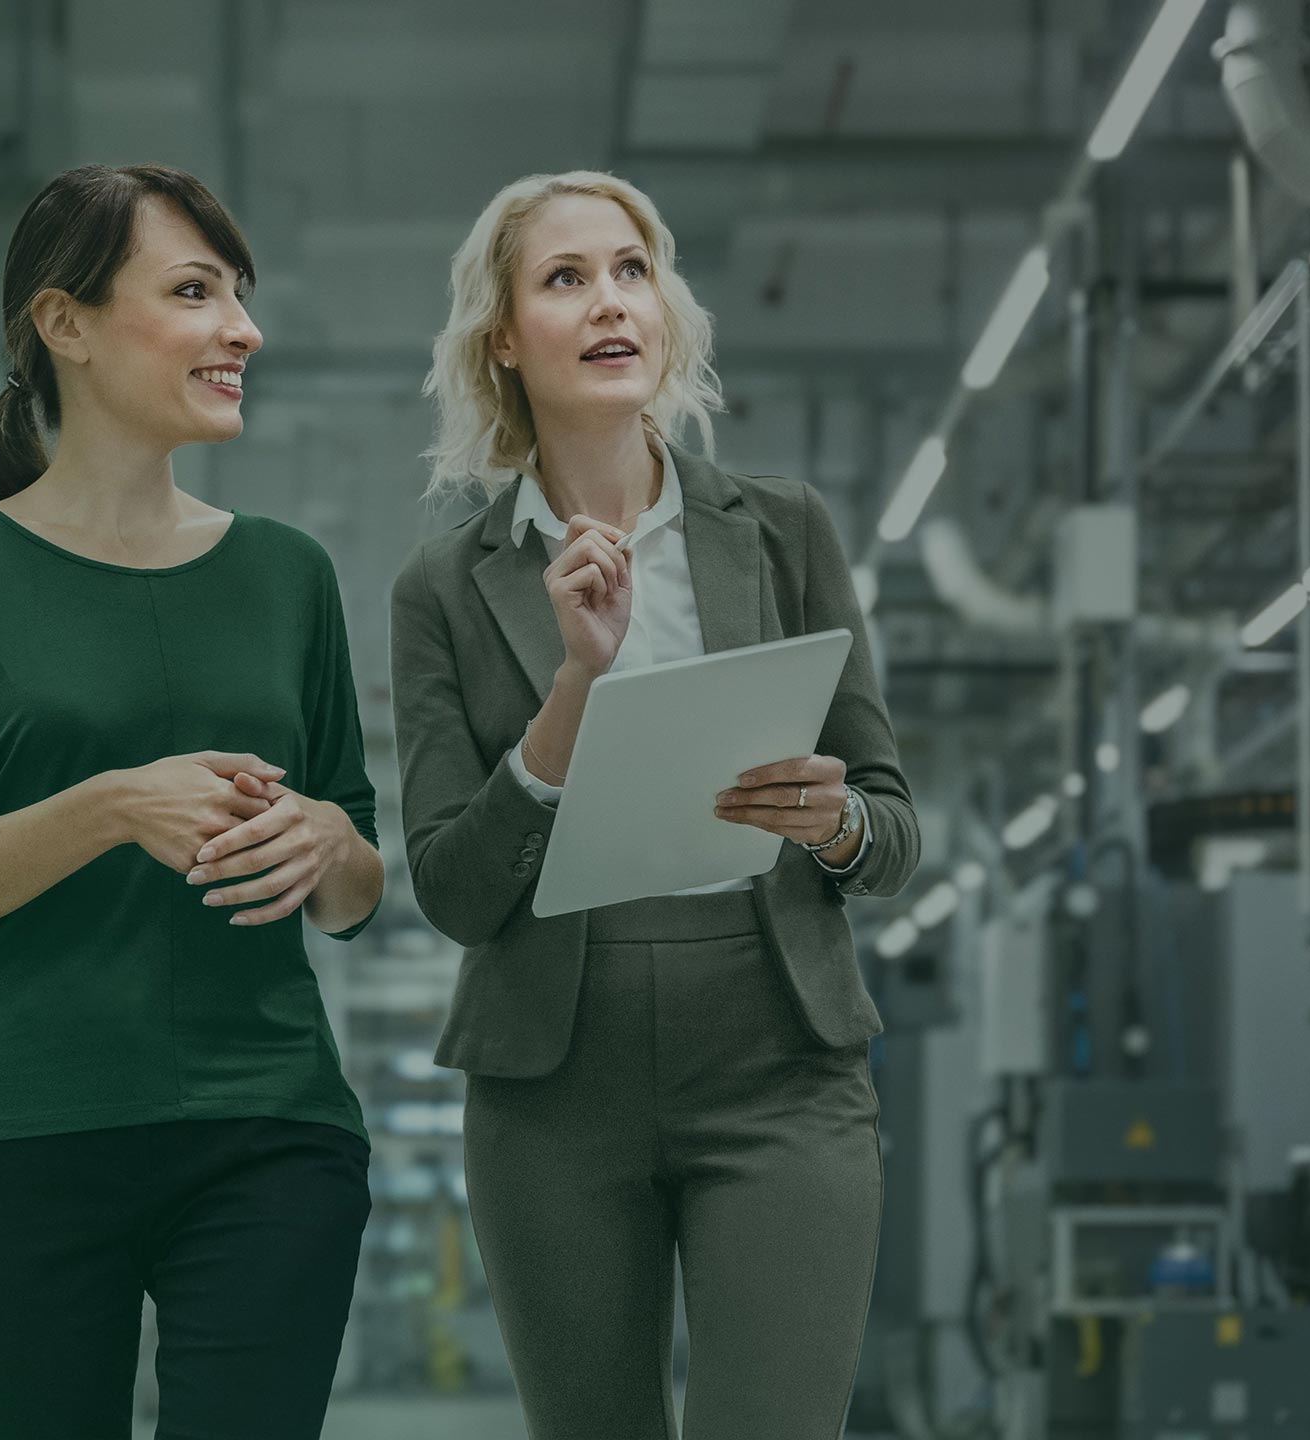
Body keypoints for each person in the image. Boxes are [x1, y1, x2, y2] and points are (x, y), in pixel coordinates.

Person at [0, 163, 384, 1439]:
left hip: (272, 1126)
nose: (241, 330)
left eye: (238, 297)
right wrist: (106, 807)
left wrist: (330, 838)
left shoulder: (288, 574)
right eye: (194, 293)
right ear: (65, 324)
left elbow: (358, 890)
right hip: (26, 1135)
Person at [388, 169, 921, 1437]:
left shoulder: (782, 533)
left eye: (632, 270)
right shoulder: (447, 588)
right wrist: (579, 681)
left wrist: (835, 821)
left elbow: (894, 831)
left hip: (779, 1060)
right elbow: (455, 891)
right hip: (550, 1079)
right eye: (565, 279)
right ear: (505, 339)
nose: (610, 300)